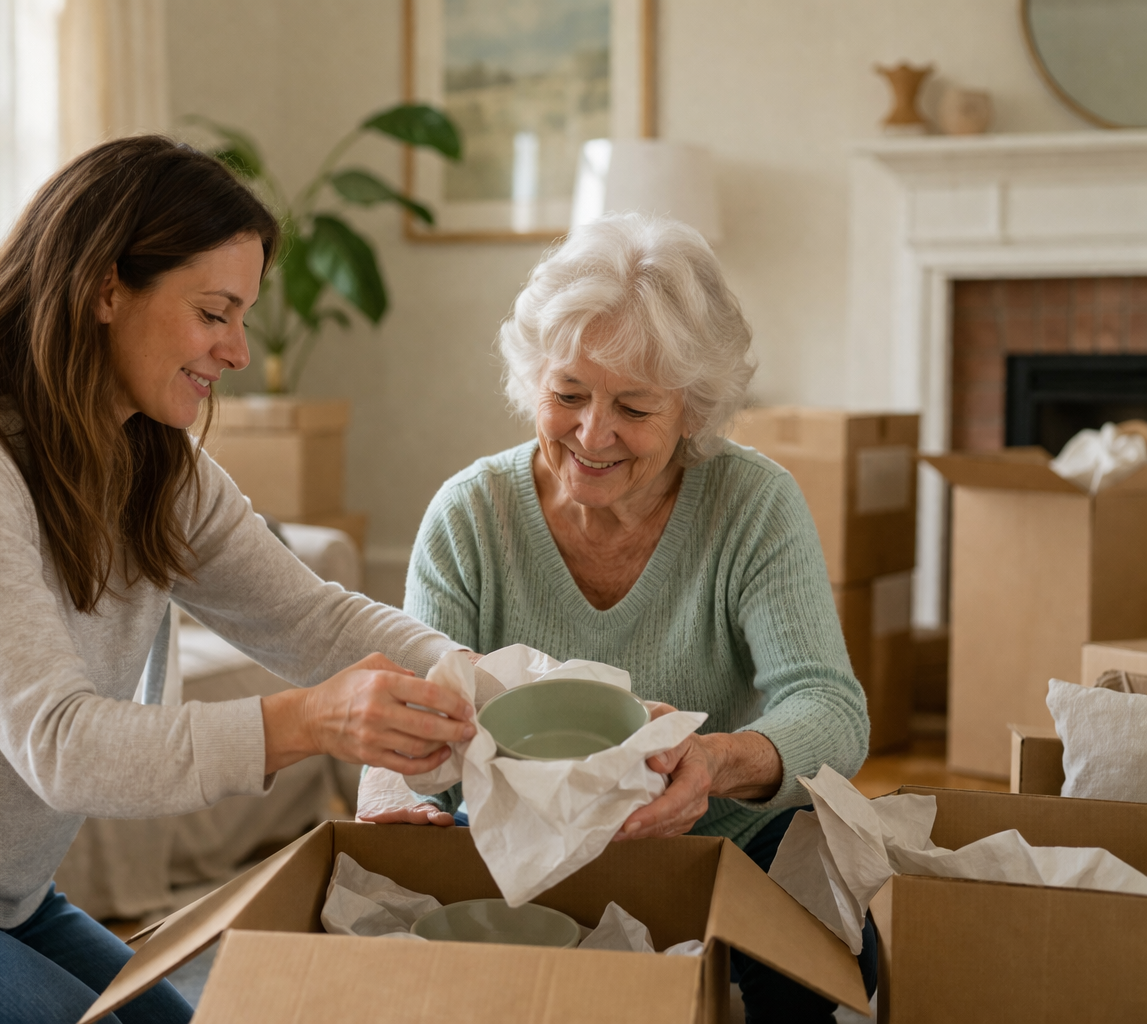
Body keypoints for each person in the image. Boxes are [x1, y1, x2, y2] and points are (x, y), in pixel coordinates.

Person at [0, 136, 476, 1024]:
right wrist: (308, 721)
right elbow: (57, 743)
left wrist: (509, 689)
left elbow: (316, 619)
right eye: (215, 312)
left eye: (242, 317)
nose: (239, 350)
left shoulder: (157, 466)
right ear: (105, 287)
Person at [357, 213, 875, 1022]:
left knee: (831, 935)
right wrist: (395, 799)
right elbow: (407, 706)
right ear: (534, 381)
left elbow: (833, 711)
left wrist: (711, 761)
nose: (592, 435)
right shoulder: (470, 514)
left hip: (719, 841)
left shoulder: (753, 504)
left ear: (694, 412)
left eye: (633, 407)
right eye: (566, 395)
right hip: (517, 844)